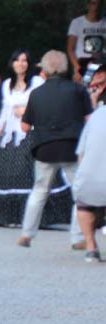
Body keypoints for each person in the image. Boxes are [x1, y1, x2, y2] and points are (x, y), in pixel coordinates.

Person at [0, 50, 72, 228]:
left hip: (31, 133)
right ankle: (9, 216)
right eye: (17, 60)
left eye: (24, 60)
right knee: (6, 174)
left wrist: (25, 110)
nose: (21, 63)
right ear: (12, 63)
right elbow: (5, 111)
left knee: (29, 174)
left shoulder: (37, 82)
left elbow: (45, 104)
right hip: (11, 134)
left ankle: (34, 217)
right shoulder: (7, 84)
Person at [17, 50, 93, 249]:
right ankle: (77, 238)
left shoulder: (36, 93)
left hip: (44, 148)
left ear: (45, 69)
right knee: (80, 193)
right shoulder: (78, 90)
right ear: (65, 67)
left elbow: (24, 127)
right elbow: (89, 121)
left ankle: (26, 234)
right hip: (72, 147)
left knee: (39, 191)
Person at [74, 97, 106, 261]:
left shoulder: (95, 115)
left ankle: (91, 247)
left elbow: (81, 153)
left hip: (88, 181)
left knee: (84, 204)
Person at [66, 0, 105, 81]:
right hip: (82, 63)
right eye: (93, 3)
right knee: (83, 86)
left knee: (97, 88)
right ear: (88, 5)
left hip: (101, 64)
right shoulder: (77, 23)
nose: (96, 7)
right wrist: (77, 68)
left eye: (99, 4)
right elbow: (70, 49)